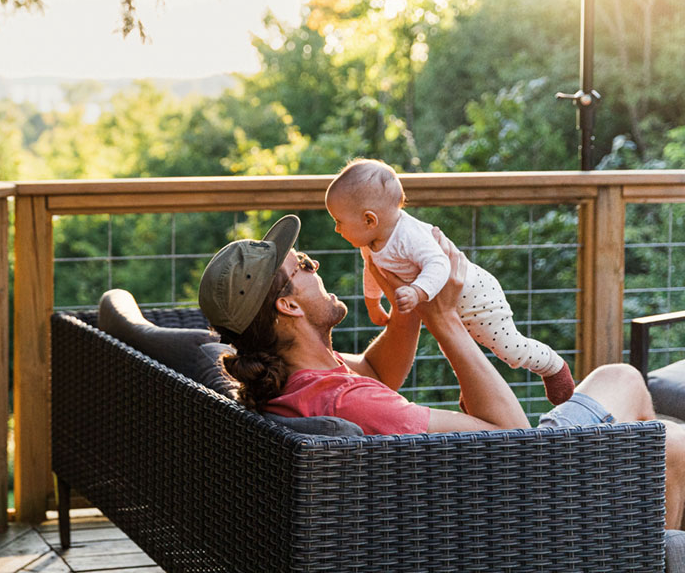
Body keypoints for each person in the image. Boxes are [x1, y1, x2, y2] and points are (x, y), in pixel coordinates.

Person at [197, 213, 685, 530]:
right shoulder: (349, 402)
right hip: (516, 505)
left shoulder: (297, 381)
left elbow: (376, 370)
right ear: (287, 305)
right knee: (654, 425)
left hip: (459, 501)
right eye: (303, 265)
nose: (315, 265)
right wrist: (445, 317)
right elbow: (514, 440)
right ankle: (640, 551)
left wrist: (409, 301)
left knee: (640, 410)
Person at [324, 158, 574, 405]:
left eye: (339, 222)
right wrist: (373, 303)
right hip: (449, 303)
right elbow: (372, 271)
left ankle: (552, 366)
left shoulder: (409, 236)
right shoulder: (370, 243)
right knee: (452, 347)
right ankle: (473, 393)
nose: (336, 229)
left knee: (510, 349)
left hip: (476, 296)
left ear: (369, 220)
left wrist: (417, 292)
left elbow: (439, 264)